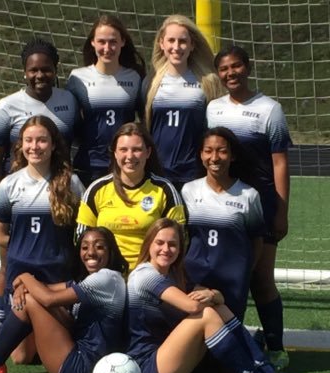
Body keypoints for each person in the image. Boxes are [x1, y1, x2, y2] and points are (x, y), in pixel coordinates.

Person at [126, 218, 307, 373]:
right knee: (206, 314)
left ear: (180, 249)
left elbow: (218, 298)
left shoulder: (174, 275)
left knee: (216, 309)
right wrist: (212, 297)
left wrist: (213, 296)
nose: (166, 249)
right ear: (148, 244)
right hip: (147, 367)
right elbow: (192, 305)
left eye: (172, 244)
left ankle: (266, 371)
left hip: (167, 360)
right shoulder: (145, 275)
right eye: (159, 243)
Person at [0, 37, 79, 358]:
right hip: (18, 195)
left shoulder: (69, 101)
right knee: (7, 264)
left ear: (55, 71)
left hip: (57, 190)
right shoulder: (6, 107)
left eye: (46, 70)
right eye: (34, 70)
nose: (40, 75)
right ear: (25, 72)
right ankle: (3, 334)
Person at [0, 226, 128, 373]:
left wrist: (25, 277)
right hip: (90, 363)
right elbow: (48, 288)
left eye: (99, 247)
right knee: (31, 297)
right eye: (85, 247)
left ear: (111, 251)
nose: (91, 252)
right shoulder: (97, 280)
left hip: (83, 368)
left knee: (29, 301)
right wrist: (25, 285)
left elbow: (49, 299)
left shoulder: (106, 278)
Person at [206, 45, 292, 369]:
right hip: (226, 206)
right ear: (219, 74)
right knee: (231, 276)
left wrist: (281, 211)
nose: (231, 73)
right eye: (225, 69)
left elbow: (280, 163)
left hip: (263, 204)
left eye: (236, 66)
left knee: (261, 278)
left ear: (248, 68)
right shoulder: (213, 109)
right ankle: (229, 341)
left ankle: (276, 347)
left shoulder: (269, 109)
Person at [181, 127, 265, 322]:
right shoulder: (189, 190)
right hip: (196, 277)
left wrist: (244, 273)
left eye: (222, 150)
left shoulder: (248, 195)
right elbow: (182, 236)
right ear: (201, 154)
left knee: (228, 340)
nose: (214, 157)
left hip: (232, 280)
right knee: (195, 335)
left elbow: (257, 240)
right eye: (208, 150)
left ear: (233, 156)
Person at [76, 122, 185, 271]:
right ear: (115, 153)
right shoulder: (97, 189)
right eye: (123, 150)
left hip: (149, 274)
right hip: (105, 273)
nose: (129, 156)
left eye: (137, 150)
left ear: (148, 152)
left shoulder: (164, 190)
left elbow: (179, 239)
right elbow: (80, 237)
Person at [143, 14, 224, 191]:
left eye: (182, 41)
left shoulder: (208, 82)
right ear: (161, 43)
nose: (176, 47)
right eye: (171, 40)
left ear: (192, 45)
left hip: (193, 173)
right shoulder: (150, 83)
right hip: (156, 172)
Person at [66, 15, 146, 187]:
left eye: (113, 41)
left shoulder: (134, 77)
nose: (107, 48)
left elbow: (145, 119)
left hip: (125, 163)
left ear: (122, 42)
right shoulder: (77, 78)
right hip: (90, 163)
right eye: (101, 41)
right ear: (93, 43)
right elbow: (71, 122)